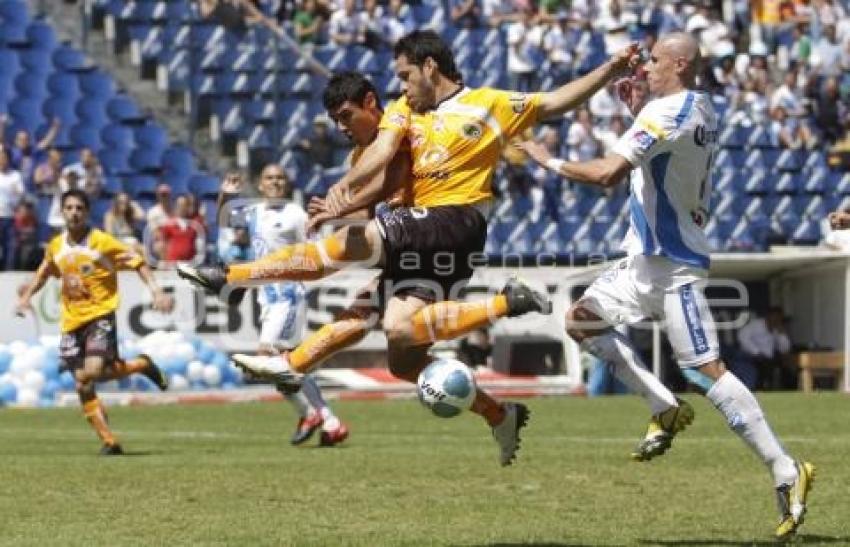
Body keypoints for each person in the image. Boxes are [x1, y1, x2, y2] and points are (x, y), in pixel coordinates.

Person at [179, 32, 640, 465]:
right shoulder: (403, 111)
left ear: (429, 66)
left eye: (404, 74)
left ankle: (233, 279)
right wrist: (349, 193)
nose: (400, 84)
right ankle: (501, 411)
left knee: (347, 250)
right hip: (424, 240)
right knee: (401, 345)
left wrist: (611, 68)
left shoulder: (489, 104)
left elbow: (556, 101)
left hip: (456, 218)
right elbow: (381, 158)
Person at [519, 32, 814, 538]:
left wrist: (542, 156)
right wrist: (640, 109)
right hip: (643, 261)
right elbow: (663, 150)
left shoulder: (665, 114)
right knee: (579, 320)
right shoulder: (701, 106)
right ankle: (662, 405)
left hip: (674, 266)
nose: (645, 67)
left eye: (654, 61)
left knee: (706, 372)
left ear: (678, 63)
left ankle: (787, 470)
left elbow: (609, 174)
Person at [15, 189, 173, 455]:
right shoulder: (56, 246)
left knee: (94, 371)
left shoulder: (102, 242)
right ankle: (109, 442)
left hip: (100, 315)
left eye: (79, 208)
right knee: (82, 383)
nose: (74, 212)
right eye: (69, 208)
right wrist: (27, 296)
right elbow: (45, 271)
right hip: (71, 322)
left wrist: (156, 291)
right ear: (62, 212)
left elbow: (138, 262)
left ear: (87, 213)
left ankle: (140, 365)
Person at [219, 165, 349, 446]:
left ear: (287, 184)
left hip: (288, 294)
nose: (276, 182)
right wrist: (225, 195)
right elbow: (227, 220)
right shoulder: (254, 211)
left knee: (268, 359)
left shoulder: (295, 214)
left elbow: (316, 251)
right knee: (289, 364)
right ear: (260, 184)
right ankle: (329, 422)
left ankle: (311, 414)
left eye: (280, 178)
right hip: (266, 296)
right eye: (269, 178)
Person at [738, 308, 795, 390]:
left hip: (768, 358)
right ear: (768, 316)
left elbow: (785, 349)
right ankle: (761, 388)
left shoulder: (777, 329)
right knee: (762, 366)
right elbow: (742, 336)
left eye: (779, 319)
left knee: (787, 364)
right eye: (774, 317)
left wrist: (782, 333)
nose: (776, 320)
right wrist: (757, 352)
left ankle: (787, 389)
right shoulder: (756, 324)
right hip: (750, 355)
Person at [0, 146, 24, 271]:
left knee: (10, 247)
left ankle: (9, 272)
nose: (2, 160)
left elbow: (20, 193)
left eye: (4, 158)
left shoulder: (15, 175)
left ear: (8, 159)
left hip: (9, 216)